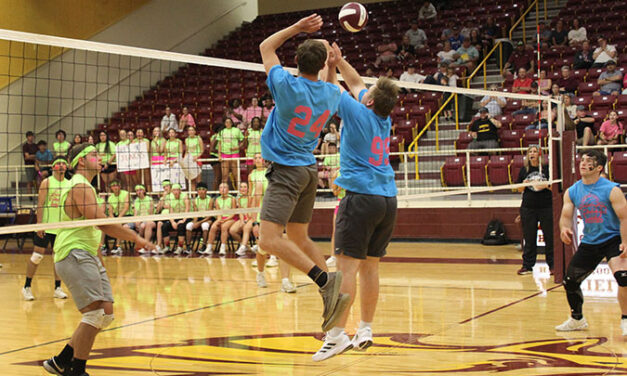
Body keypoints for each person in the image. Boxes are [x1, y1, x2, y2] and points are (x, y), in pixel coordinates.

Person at [258, 14, 348, 333]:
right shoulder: (331, 94)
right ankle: (334, 298)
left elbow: (266, 46)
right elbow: (331, 82)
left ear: (296, 62)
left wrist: (298, 28)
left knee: (267, 239)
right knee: (298, 236)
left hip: (286, 171)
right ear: (323, 64)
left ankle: (324, 280)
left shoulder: (285, 85)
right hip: (309, 169)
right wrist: (333, 62)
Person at [312, 42, 398, 361]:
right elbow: (358, 83)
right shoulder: (383, 116)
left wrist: (330, 63)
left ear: (371, 100)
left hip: (360, 198)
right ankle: (365, 329)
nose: (365, 90)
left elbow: (327, 87)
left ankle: (336, 336)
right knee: (370, 268)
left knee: (346, 270)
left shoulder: (357, 112)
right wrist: (340, 59)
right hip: (387, 199)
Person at [42, 143, 155, 376]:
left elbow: (94, 229)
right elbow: (101, 222)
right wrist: (135, 237)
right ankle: (76, 371)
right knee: (94, 314)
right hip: (73, 253)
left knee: (106, 314)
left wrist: (99, 259)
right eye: (94, 154)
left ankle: (61, 360)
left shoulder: (88, 187)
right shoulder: (79, 186)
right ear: (81, 161)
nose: (100, 157)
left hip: (87, 253)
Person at [556, 149, 627, 336]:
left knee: (624, 278)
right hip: (590, 241)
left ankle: (626, 319)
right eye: (582, 159)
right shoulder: (573, 191)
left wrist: (626, 241)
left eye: (589, 161)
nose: (583, 163)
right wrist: (564, 228)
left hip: (613, 239)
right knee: (570, 282)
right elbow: (565, 216)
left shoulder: (612, 189)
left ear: (599, 168)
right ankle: (577, 319)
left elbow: (625, 218)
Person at [23, 156, 70, 301]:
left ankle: (57, 288)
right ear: (53, 167)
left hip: (61, 227)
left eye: (63, 164)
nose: (61, 166)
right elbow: (41, 204)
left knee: (59, 258)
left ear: (66, 167)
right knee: (37, 257)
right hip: (47, 225)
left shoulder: (70, 183)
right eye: (58, 164)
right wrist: (40, 224)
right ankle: (26, 287)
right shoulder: (47, 182)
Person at [515, 145, 553, 275]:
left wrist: (545, 185)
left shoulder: (547, 169)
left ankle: (552, 265)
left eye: (535, 151)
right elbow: (518, 189)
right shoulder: (524, 170)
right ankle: (527, 266)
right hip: (528, 208)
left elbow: (554, 187)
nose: (532, 153)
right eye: (530, 151)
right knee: (529, 238)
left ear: (540, 154)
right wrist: (524, 184)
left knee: (550, 237)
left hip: (546, 207)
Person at [156, 183, 191, 255]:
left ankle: (180, 247)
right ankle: (167, 247)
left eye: (177, 190)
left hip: (186, 217)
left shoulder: (185, 196)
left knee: (181, 225)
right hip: (175, 218)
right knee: (164, 226)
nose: (175, 192)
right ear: (172, 192)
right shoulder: (171, 198)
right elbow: (170, 212)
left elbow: (187, 209)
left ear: (180, 191)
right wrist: (172, 222)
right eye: (174, 190)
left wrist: (183, 220)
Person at [204, 182, 237, 256]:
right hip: (221, 218)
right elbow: (219, 213)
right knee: (213, 227)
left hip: (231, 218)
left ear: (228, 190)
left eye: (224, 187)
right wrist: (219, 220)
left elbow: (233, 213)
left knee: (224, 227)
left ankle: (222, 247)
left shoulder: (232, 199)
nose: (222, 189)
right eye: (221, 188)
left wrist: (225, 220)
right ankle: (209, 247)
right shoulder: (217, 200)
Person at [106, 180, 134, 255]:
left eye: (117, 185)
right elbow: (110, 212)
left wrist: (119, 218)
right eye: (113, 186)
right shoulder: (110, 198)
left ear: (120, 186)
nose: (115, 187)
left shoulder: (125, 194)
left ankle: (117, 246)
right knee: (103, 224)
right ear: (111, 188)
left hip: (127, 216)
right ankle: (102, 246)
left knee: (120, 226)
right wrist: (112, 219)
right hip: (116, 217)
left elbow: (126, 207)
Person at [186, 182, 214, 254]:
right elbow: (196, 214)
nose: (201, 191)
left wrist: (199, 223)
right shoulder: (195, 200)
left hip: (208, 218)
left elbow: (209, 215)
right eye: (199, 189)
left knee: (204, 226)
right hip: (199, 218)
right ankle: (188, 246)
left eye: (203, 189)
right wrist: (195, 223)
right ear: (197, 191)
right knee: (189, 226)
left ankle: (204, 245)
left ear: (206, 191)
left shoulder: (210, 200)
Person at [217, 118, 244, 188]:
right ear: (224, 124)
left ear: (232, 123)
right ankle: (223, 192)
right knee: (224, 175)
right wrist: (219, 155)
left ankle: (239, 192)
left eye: (229, 122)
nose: (228, 124)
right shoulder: (221, 132)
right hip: (224, 154)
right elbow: (219, 144)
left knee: (236, 175)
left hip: (234, 154)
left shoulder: (236, 130)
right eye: (226, 122)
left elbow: (243, 141)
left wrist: (237, 147)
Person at [230, 182, 254, 256]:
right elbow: (240, 212)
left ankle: (242, 248)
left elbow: (251, 212)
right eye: (241, 187)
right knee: (232, 231)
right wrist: (242, 220)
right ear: (239, 189)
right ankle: (245, 246)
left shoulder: (251, 197)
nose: (243, 189)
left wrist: (246, 221)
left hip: (252, 218)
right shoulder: (239, 199)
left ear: (248, 189)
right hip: (244, 218)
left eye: (245, 187)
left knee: (245, 227)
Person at [132, 184, 155, 255]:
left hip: (149, 219)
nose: (139, 192)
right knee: (128, 226)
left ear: (144, 191)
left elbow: (151, 214)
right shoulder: (136, 201)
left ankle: (145, 245)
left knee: (143, 226)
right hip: (140, 220)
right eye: (137, 191)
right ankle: (118, 246)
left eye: (140, 190)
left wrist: (142, 221)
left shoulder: (149, 199)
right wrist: (136, 221)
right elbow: (135, 213)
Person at [184, 125, 204, 190]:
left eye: (192, 130)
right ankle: (193, 196)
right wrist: (184, 159)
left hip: (197, 160)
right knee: (192, 179)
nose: (191, 131)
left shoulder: (198, 138)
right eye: (189, 130)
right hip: (190, 160)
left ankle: (199, 194)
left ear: (195, 131)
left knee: (199, 179)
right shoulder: (186, 140)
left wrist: (197, 156)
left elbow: (202, 150)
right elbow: (187, 151)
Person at [23, 131, 38, 198]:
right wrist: (33, 156)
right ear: (27, 137)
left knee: (37, 180)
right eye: (29, 136)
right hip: (28, 165)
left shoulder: (36, 146)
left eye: (32, 136)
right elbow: (27, 157)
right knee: (29, 181)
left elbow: (38, 155)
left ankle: (38, 194)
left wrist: (31, 156)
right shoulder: (25, 146)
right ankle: (30, 195)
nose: (31, 137)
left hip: (36, 165)